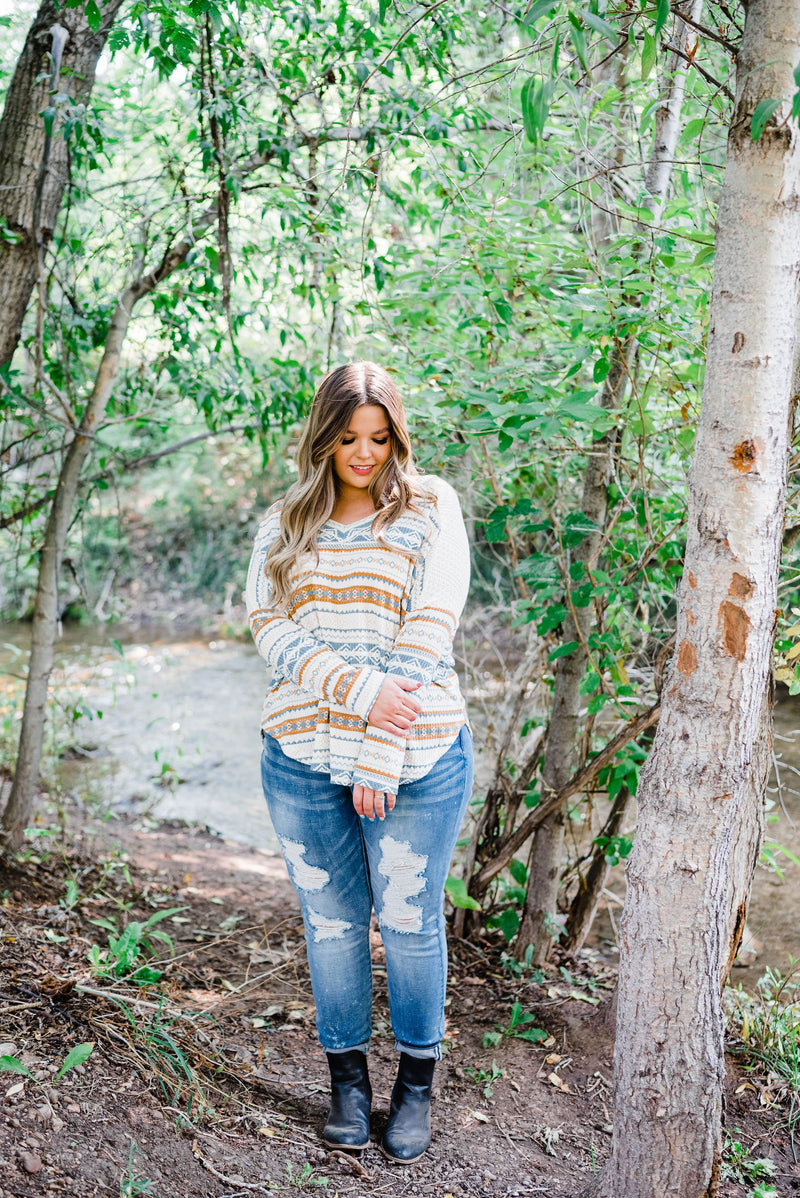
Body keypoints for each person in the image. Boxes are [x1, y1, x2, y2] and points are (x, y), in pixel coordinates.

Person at [246, 361, 473, 1164]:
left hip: (416, 756)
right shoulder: (285, 522)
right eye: (348, 438)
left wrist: (380, 739)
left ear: (397, 435)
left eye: (379, 437)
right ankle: (348, 1085)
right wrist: (354, 691)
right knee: (334, 927)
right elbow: (267, 625)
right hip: (302, 753)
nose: (365, 453)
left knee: (410, 925)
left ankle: (416, 1086)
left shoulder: (430, 506)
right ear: (325, 436)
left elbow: (433, 621)